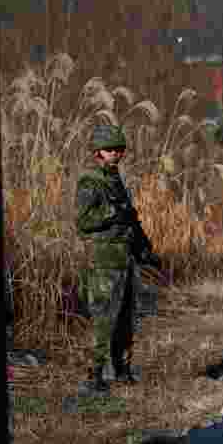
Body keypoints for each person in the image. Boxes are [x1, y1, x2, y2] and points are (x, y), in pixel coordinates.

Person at [74, 124, 160, 395]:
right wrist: (111, 214)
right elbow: (83, 222)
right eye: (111, 149)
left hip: (123, 259)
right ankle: (93, 376)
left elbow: (130, 221)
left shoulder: (115, 179)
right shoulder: (91, 181)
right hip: (103, 261)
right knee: (103, 319)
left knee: (125, 318)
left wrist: (144, 249)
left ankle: (122, 371)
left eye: (119, 149)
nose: (116, 154)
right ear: (97, 152)